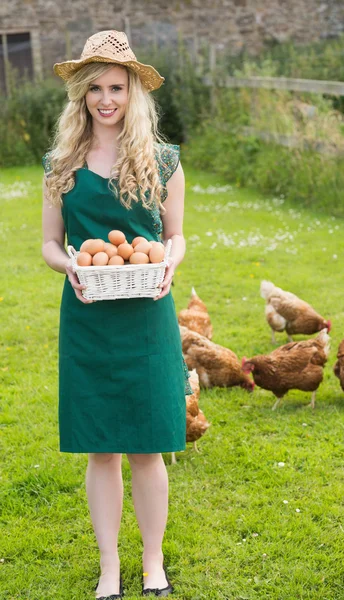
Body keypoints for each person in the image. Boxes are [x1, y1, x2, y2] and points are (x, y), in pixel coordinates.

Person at [41, 30, 192, 599]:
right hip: (88, 315)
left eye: (118, 88)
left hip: (148, 312)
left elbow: (174, 237)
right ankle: (109, 567)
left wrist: (169, 265)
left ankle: (152, 563)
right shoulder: (62, 163)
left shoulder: (162, 160)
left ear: (134, 94)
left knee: (148, 446)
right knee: (100, 447)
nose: (107, 99)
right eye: (96, 89)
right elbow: (51, 244)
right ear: (81, 94)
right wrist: (72, 267)